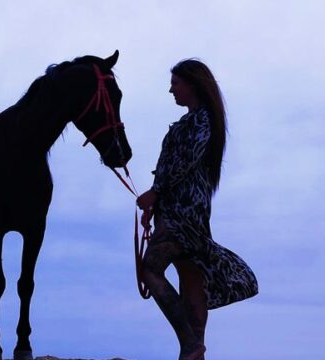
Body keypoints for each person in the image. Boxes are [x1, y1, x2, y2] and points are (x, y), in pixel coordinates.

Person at [136, 59, 258, 360]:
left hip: (184, 214)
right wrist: (156, 204)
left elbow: (185, 161)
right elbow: (177, 165)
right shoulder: (196, 122)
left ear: (192, 84)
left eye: (175, 83)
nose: (170, 90)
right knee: (190, 278)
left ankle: (190, 344)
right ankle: (194, 354)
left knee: (150, 268)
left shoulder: (202, 121)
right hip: (183, 212)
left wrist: (156, 192)